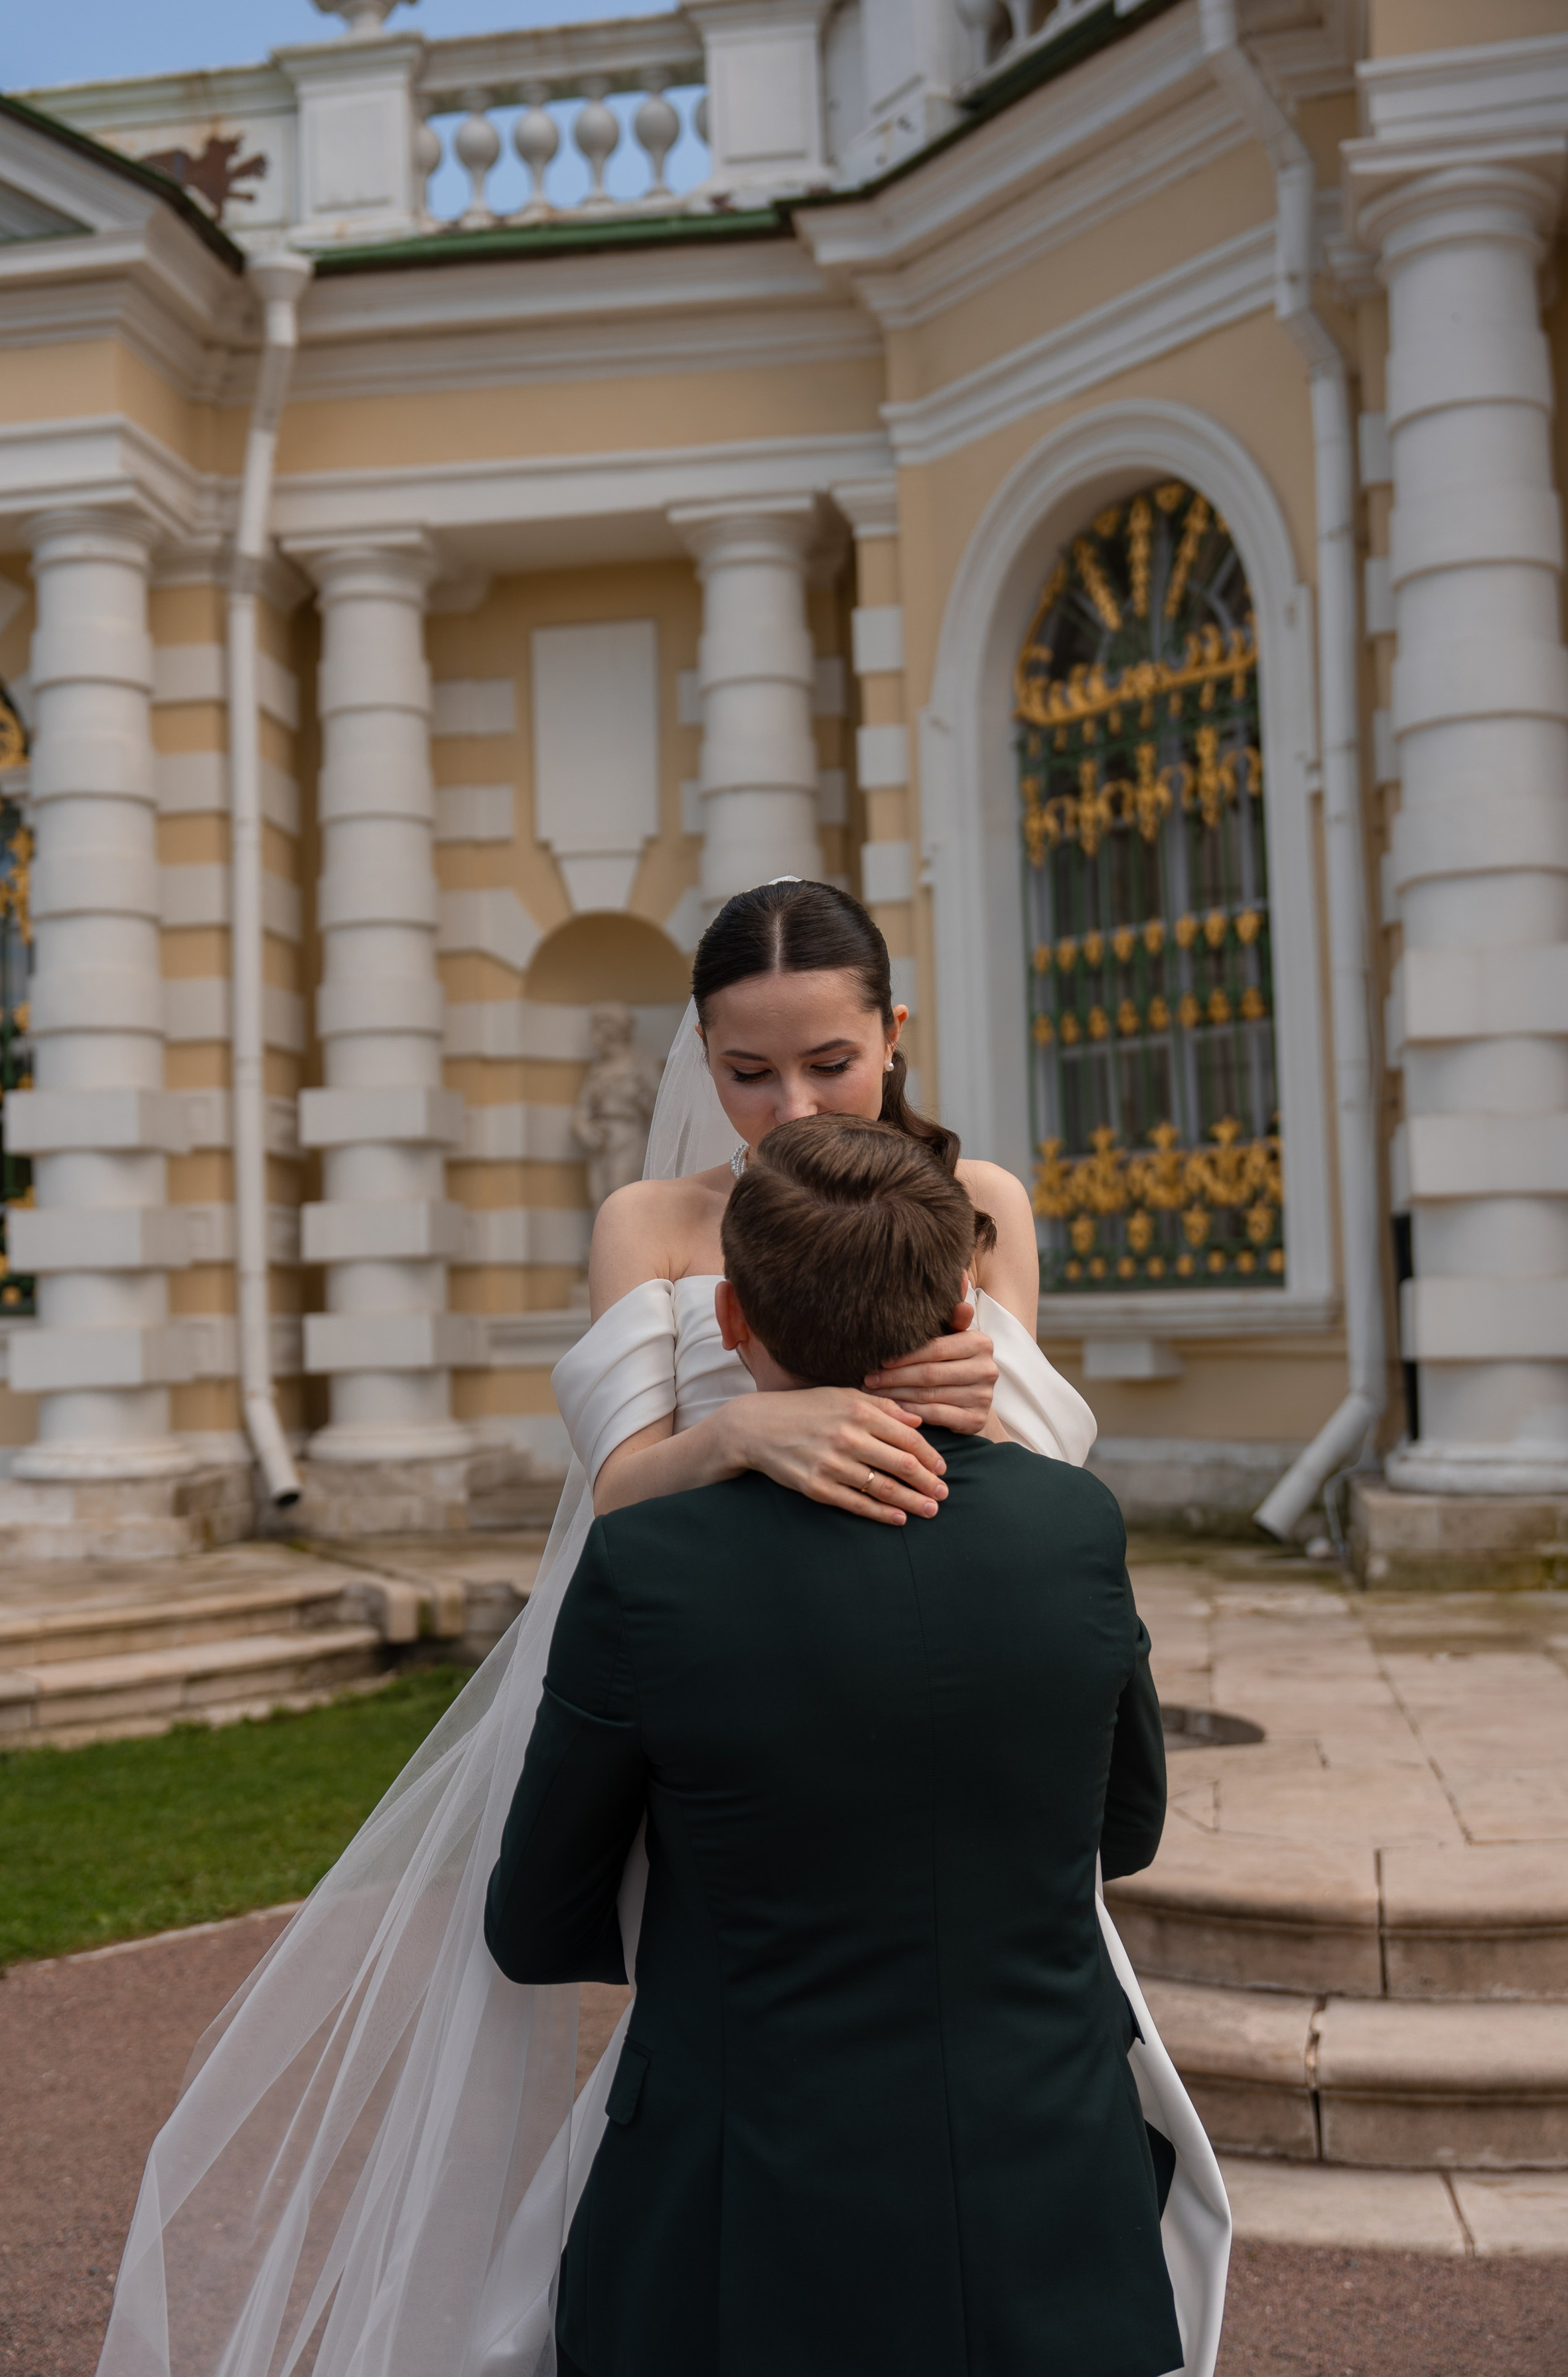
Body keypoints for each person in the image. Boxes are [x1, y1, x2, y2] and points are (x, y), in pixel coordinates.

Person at [98, 879, 1222, 2377]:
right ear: (699, 1056)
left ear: (892, 1034)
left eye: (828, 1064)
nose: (786, 1104)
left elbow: (1033, 1472)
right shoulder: (653, 1223)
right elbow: (614, 1490)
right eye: (746, 1071)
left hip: (950, 1701)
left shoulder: (986, 1208)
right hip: (740, 1694)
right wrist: (745, 1433)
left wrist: (971, 1410)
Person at [486, 1116, 1188, 2377]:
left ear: (731, 1319)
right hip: (1048, 2211)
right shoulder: (1075, 1523)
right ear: (964, 1309)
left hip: (743, 2224)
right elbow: (1125, 1828)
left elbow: (538, 1921)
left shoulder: (649, 1566)